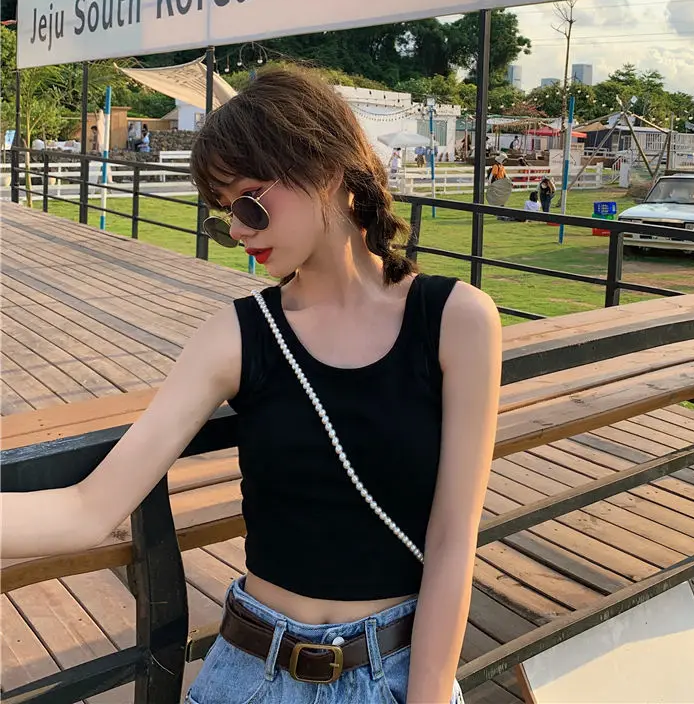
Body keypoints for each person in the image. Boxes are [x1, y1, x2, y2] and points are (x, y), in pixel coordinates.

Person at [0, 67, 501, 704]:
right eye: (224, 213)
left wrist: (425, 696)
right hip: (252, 675)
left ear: (326, 168)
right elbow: (89, 509)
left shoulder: (456, 321)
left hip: (399, 673)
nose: (236, 230)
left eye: (248, 202)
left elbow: (454, 538)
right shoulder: (237, 335)